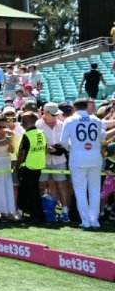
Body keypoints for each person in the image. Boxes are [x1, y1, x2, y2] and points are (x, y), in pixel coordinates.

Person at [61, 98, 105, 229]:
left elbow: (63, 142)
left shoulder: (69, 120)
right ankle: (94, 220)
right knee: (95, 190)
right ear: (86, 107)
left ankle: (86, 221)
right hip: (95, 157)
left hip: (78, 158)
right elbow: (102, 136)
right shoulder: (96, 120)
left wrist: (72, 148)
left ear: (74, 108)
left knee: (80, 190)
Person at [15, 111, 46, 223]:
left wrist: (17, 166)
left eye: (23, 121)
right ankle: (37, 214)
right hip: (38, 166)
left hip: (27, 166)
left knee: (27, 191)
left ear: (25, 122)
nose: (21, 123)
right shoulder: (41, 133)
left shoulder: (27, 134)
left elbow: (22, 152)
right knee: (35, 191)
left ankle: (32, 215)